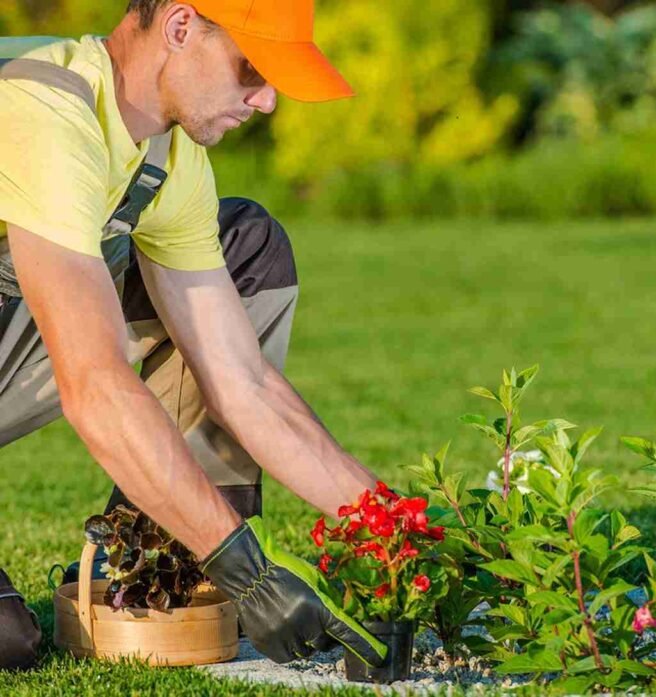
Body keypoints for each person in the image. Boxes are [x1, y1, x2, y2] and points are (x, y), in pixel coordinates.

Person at [0, 0, 390, 670]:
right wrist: (248, 571)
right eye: (253, 69)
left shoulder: (167, 158)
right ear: (181, 28)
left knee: (245, 245)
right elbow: (92, 384)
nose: (267, 101)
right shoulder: (44, 109)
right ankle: (200, 538)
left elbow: (243, 384)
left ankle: (155, 553)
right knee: (8, 643)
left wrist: (398, 531)